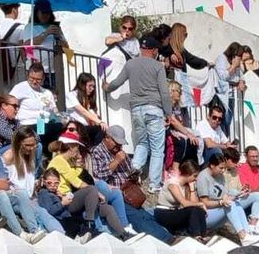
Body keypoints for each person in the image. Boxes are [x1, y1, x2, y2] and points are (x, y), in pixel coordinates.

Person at [102, 34, 172, 196]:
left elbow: (116, 83)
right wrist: (168, 113)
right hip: (154, 109)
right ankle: (154, 184)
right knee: (157, 148)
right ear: (154, 50)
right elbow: (164, 92)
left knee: (141, 143)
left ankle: (135, 169)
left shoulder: (130, 64)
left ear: (141, 49)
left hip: (136, 109)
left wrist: (106, 87)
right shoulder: (157, 66)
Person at [45, 128, 130, 240]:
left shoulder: (67, 161)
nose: (78, 150)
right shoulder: (59, 161)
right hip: (63, 199)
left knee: (107, 208)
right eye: (77, 147)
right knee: (91, 190)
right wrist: (98, 193)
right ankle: (90, 226)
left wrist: (79, 166)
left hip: (71, 196)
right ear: (71, 147)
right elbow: (76, 182)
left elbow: (74, 174)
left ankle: (123, 234)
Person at [25, 0, 69, 91]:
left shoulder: (56, 27)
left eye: (48, 13)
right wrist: (46, 33)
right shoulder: (30, 27)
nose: (46, 15)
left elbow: (67, 49)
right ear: (37, 13)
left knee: (54, 97)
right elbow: (27, 44)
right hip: (36, 72)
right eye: (43, 13)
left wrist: (59, 36)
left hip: (53, 70)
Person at [8, 62, 58, 135]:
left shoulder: (47, 92)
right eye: (32, 78)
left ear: (43, 78)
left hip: (43, 124)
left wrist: (60, 118)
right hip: (27, 124)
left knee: (59, 127)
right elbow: (9, 103)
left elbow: (54, 110)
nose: (34, 82)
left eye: (38, 79)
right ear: (28, 76)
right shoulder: (20, 87)